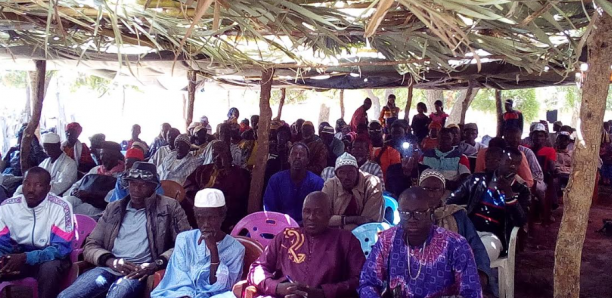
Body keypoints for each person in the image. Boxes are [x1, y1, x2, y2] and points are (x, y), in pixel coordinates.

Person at [58, 162, 191, 298]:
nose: (136, 189)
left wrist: (156, 264)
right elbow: (91, 244)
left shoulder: (169, 207)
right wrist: (110, 261)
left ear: (154, 187)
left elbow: (185, 243)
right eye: (132, 184)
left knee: (118, 294)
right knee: (66, 296)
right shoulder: (114, 208)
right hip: (109, 266)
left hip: (138, 272)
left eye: (143, 185)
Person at [358, 187, 483, 298]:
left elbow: (472, 292)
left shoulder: (455, 245)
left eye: (418, 213)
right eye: (405, 213)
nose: (412, 219)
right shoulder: (387, 239)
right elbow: (367, 282)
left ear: (431, 212)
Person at [248, 191, 366, 298]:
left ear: (330, 214)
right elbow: (257, 268)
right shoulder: (286, 237)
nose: (311, 217)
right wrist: (277, 287)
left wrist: (323, 293)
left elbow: (361, 279)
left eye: (318, 212)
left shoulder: (346, 240)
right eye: (307, 211)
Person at [151, 189, 245, 298]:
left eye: (212, 218)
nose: (205, 224)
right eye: (200, 218)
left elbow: (224, 287)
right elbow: (179, 278)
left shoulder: (236, 249)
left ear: (222, 217)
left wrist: (213, 251)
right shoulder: (185, 239)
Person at [0, 167, 75, 298]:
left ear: (48, 188)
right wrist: (3, 258)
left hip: (50, 259)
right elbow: (2, 243)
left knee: (50, 269)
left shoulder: (61, 207)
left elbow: (61, 249)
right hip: (17, 257)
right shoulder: (8, 207)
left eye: (38, 185)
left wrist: (26, 257)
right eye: (27, 183)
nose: (30, 190)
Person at [448, 148, 530, 262]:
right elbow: (451, 199)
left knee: (474, 257)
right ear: (499, 161)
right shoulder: (477, 179)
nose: (512, 167)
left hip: (495, 237)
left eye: (516, 164)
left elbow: (521, 220)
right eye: (508, 162)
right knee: (448, 253)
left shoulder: (521, 190)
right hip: (469, 231)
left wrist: (509, 193)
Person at [418, 169, 492, 292]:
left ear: (442, 192)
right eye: (426, 188)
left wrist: (480, 272)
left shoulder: (457, 215)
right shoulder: (412, 214)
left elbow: (475, 245)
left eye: (436, 189)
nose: (430, 194)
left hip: (453, 272)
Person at [183, 141, 250, 231]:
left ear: (229, 156)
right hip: (202, 209)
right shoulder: (202, 170)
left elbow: (239, 197)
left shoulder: (240, 173)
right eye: (214, 154)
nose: (217, 158)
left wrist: (227, 169)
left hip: (226, 216)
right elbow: (188, 188)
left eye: (221, 155)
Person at [264, 143, 324, 223]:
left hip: (307, 228)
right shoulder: (276, 180)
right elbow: (269, 209)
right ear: (288, 158)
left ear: (307, 161)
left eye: (302, 154)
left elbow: (319, 213)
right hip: (279, 226)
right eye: (294, 154)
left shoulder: (317, 182)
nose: (298, 157)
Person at [322, 153, 384, 230]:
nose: (346, 177)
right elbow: (323, 218)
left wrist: (337, 223)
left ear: (358, 172)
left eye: (351, 172)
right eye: (341, 172)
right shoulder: (330, 184)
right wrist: (352, 219)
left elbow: (368, 222)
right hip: (335, 234)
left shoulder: (372, 183)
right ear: (336, 174)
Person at [63, 141, 125, 218]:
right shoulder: (96, 170)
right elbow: (78, 184)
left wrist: (90, 195)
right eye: (102, 155)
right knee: (66, 201)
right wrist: (74, 191)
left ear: (117, 156)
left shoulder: (122, 175)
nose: (105, 158)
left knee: (80, 211)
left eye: (109, 155)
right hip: (82, 198)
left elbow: (114, 196)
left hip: (100, 206)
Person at [529, 123, 558, 223]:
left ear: (545, 137)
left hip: (542, 177)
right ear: (531, 136)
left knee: (539, 189)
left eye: (541, 135)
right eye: (535, 135)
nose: (538, 138)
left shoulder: (549, 150)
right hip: (527, 176)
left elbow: (551, 167)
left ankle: (545, 212)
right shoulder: (527, 149)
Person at [504, 127, 544, 193]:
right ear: (505, 138)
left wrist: (524, 179)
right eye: (511, 138)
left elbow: (538, 174)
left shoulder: (526, 152)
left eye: (518, 138)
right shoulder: (502, 151)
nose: (515, 140)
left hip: (529, 180)